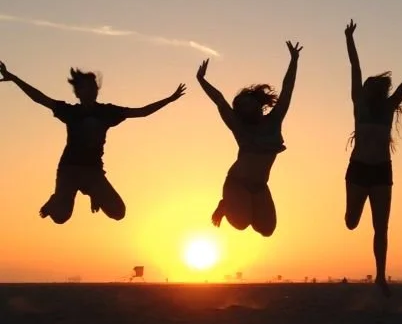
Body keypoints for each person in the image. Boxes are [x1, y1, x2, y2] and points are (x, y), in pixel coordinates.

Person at [0, 61, 185, 223]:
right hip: (69, 170)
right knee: (60, 217)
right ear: (78, 93)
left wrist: (170, 99)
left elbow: (142, 112)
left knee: (118, 213)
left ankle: (92, 192)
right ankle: (56, 199)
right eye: (86, 88)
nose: (91, 90)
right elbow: (39, 98)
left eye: (93, 87)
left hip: (93, 172)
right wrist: (13, 78)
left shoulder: (107, 112)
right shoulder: (70, 112)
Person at [344, 20, 402, 295]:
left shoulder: (390, 106)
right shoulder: (359, 104)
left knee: (381, 227)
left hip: (381, 171)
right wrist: (349, 38)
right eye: (369, 87)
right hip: (358, 170)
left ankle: (380, 275)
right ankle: (351, 215)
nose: (371, 90)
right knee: (351, 222)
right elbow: (355, 67)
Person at [197, 41, 302, 237]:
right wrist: (201, 80)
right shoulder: (240, 128)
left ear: (257, 104)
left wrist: (294, 60)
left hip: (260, 186)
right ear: (241, 113)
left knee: (267, 230)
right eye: (243, 106)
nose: (247, 107)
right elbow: (220, 101)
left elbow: (287, 90)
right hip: (237, 182)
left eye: (249, 103)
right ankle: (225, 204)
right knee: (241, 223)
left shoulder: (274, 120)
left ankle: (247, 205)